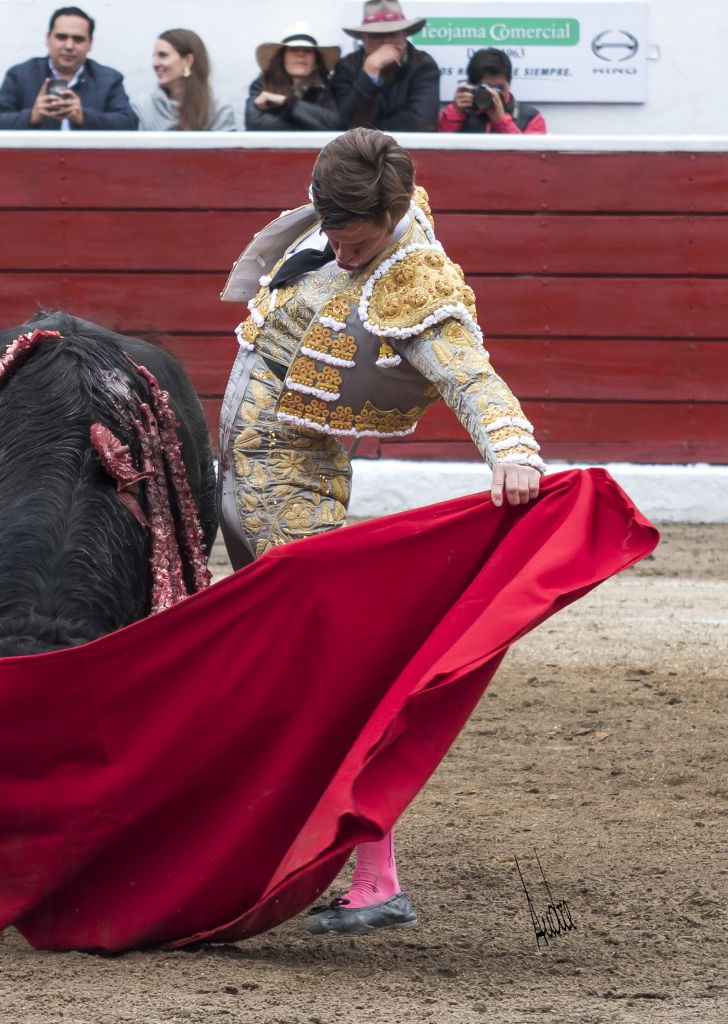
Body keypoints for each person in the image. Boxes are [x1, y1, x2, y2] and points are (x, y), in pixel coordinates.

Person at [217, 128, 544, 934]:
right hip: (240, 478)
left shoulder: (413, 280)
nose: (335, 245)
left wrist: (512, 449)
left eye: (350, 234)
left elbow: (472, 374)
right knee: (285, 679)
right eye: (329, 227)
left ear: (391, 213)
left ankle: (372, 877)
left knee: (325, 689)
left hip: (289, 488)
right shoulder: (345, 224)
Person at [0, 5, 136, 130]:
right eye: (61, 37)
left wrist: (84, 118)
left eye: (78, 39)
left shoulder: (109, 79)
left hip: (89, 165)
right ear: (48, 39)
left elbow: (129, 124)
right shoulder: (20, 75)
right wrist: (32, 116)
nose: (69, 46)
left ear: (90, 44)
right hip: (34, 165)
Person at [331, 0, 439, 132]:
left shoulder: (423, 64)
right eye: (376, 35)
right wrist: (369, 73)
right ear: (363, 38)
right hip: (358, 150)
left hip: (408, 149)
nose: (386, 41)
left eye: (393, 33)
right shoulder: (346, 67)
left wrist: (374, 132)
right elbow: (349, 122)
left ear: (405, 35)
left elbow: (422, 121)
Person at [245, 23, 342, 132]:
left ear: (316, 60)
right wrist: (309, 122)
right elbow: (255, 124)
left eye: (307, 50)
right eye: (293, 49)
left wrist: (286, 103)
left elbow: (335, 124)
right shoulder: (262, 84)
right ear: (282, 57)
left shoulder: (329, 87)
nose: (301, 54)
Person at [133, 29, 235, 131]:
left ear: (187, 61)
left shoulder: (218, 110)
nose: (155, 63)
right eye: (154, 56)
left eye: (163, 55)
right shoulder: (143, 107)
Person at [438, 47, 547, 135]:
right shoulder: (460, 112)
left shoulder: (531, 118)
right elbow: (435, 152)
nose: (493, 94)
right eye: (486, 88)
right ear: (471, 85)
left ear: (509, 84)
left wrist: (502, 121)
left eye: (498, 89)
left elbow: (531, 158)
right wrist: (455, 113)